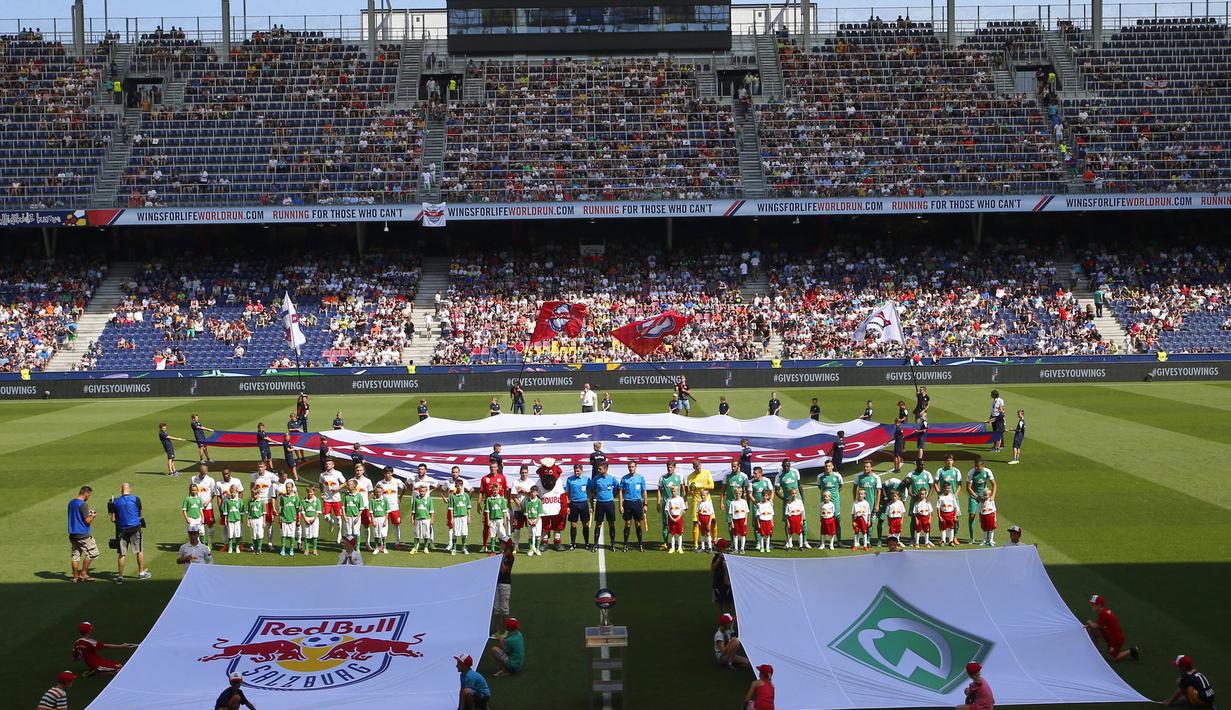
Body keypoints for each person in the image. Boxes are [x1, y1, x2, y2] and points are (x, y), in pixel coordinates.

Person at [109, 483, 149, 582]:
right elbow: (140, 514)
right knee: (139, 551)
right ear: (130, 489)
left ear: (121, 490)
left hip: (122, 530)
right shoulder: (136, 499)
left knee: (122, 554)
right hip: (135, 528)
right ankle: (141, 573)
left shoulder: (116, 502)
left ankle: (120, 577)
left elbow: (113, 519)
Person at [1086, 595, 1140, 662]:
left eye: (1093, 605)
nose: (1091, 606)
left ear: (1099, 605)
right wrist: (1091, 626)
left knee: (1111, 658)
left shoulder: (1103, 614)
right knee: (1091, 630)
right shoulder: (1103, 612)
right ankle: (1095, 649)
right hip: (1109, 635)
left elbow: (1095, 626)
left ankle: (1132, 651)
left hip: (1115, 640)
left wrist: (1089, 622)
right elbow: (1098, 626)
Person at [68, 486, 99, 583]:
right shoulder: (83, 504)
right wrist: (93, 516)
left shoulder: (71, 502)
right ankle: (83, 573)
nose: (89, 496)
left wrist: (88, 513)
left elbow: (77, 515)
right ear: (86, 493)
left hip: (73, 534)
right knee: (93, 553)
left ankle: (75, 577)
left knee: (75, 556)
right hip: (83, 534)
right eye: (89, 495)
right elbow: (87, 521)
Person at [776, 459, 809, 548]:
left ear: (790, 465)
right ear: (782, 466)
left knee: (803, 521)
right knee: (787, 522)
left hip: (798, 501)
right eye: (785, 466)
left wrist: (803, 498)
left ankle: (804, 541)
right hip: (788, 502)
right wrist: (784, 499)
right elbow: (777, 491)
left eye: (788, 465)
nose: (786, 467)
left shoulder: (795, 472)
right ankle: (787, 541)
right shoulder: (779, 476)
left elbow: (800, 485)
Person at [966, 457, 996, 545]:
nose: (976, 468)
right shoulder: (971, 473)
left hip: (984, 496)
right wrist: (977, 497)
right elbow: (968, 488)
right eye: (975, 466)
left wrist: (993, 495)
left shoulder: (987, 472)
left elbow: (994, 484)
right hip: (974, 496)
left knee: (987, 515)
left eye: (978, 466)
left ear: (982, 466)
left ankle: (988, 538)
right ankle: (972, 538)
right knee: (972, 515)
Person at [686, 461, 715, 551]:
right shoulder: (690, 476)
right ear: (693, 467)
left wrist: (701, 486)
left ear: (701, 465)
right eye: (696, 467)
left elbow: (712, 485)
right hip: (697, 501)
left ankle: (713, 542)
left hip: (708, 501)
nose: (698, 468)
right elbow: (689, 490)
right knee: (696, 522)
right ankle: (696, 544)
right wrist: (692, 488)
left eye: (699, 466)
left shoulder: (707, 472)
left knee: (712, 521)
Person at [618, 461, 647, 551]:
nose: (631, 468)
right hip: (627, 503)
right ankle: (625, 545)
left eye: (632, 467)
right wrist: (621, 505)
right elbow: (620, 491)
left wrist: (645, 504)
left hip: (637, 503)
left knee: (638, 524)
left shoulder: (640, 478)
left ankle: (640, 545)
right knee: (627, 524)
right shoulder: (624, 478)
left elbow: (644, 491)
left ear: (636, 467)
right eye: (629, 467)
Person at [479, 461, 507, 550]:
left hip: (499, 505)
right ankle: (485, 545)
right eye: (491, 467)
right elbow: (481, 492)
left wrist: (508, 502)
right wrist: (478, 503)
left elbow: (506, 490)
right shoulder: (485, 478)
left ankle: (501, 546)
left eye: (494, 467)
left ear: (497, 467)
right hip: (489, 505)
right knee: (487, 525)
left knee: (500, 527)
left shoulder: (502, 477)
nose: (492, 469)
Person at [589, 462, 618, 551]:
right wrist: (595, 497)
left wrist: (612, 496)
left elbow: (617, 488)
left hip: (609, 503)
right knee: (598, 524)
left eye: (600, 469)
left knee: (611, 523)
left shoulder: (612, 479)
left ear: (605, 469)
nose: (598, 470)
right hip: (600, 504)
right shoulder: (596, 479)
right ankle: (595, 544)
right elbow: (592, 489)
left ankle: (612, 544)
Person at [657, 460, 684, 549]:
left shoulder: (680, 477)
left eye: (671, 467)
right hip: (667, 505)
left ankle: (678, 543)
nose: (669, 469)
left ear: (674, 468)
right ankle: (665, 543)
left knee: (678, 523)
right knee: (666, 524)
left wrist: (685, 502)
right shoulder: (663, 478)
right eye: (668, 467)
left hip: (678, 506)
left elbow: (683, 490)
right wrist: (658, 502)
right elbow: (659, 491)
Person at [375, 467, 406, 548]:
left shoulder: (397, 481)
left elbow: (404, 488)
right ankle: (382, 543)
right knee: (384, 525)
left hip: (394, 507)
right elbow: (375, 492)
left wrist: (400, 497)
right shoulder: (380, 483)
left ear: (392, 473)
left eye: (388, 473)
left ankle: (397, 542)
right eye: (385, 473)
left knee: (396, 525)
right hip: (384, 509)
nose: (387, 475)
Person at [564, 464, 592, 550]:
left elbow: (590, 492)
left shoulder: (587, 480)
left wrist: (591, 505)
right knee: (573, 524)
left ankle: (587, 543)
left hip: (584, 504)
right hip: (573, 504)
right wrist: (567, 506)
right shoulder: (569, 480)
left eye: (578, 471)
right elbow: (567, 494)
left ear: (581, 470)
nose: (576, 473)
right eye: (575, 471)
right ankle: (573, 543)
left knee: (585, 524)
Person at [319, 459, 346, 542]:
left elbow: (345, 483)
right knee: (326, 517)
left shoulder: (338, 473)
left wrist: (337, 488)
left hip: (336, 499)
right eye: (326, 464)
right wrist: (322, 493)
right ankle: (331, 521)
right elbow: (320, 483)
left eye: (329, 464)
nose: (328, 465)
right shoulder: (323, 475)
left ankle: (339, 535)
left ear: (333, 465)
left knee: (339, 518)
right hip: (327, 499)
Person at [817, 460, 843, 544]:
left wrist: (834, 495)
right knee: (823, 520)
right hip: (824, 503)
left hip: (835, 502)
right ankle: (822, 541)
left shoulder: (837, 476)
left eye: (829, 466)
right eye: (826, 466)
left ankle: (839, 541)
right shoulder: (820, 477)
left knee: (837, 521)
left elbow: (841, 485)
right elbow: (820, 486)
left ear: (832, 467)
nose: (827, 468)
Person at [493, 540, 514, 632]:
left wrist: (499, 558)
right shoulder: (501, 554)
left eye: (502, 543)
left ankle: (505, 630)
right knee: (496, 608)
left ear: (507, 545)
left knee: (504, 608)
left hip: (505, 584)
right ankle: (497, 630)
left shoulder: (510, 557)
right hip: (497, 583)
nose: (500, 544)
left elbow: (503, 570)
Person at [410, 482, 436, 554]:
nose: (422, 492)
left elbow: (431, 511)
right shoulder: (416, 499)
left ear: (426, 491)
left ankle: (425, 547)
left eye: (423, 491)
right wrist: (412, 519)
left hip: (426, 519)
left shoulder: (429, 499)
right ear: (418, 491)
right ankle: (415, 547)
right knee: (416, 534)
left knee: (426, 534)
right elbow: (413, 511)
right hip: (417, 519)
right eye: (421, 491)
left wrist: (432, 519)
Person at [448, 480, 472, 555]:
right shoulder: (452, 496)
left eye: (460, 485)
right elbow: (451, 508)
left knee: (464, 532)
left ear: (462, 486)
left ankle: (463, 547)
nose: (459, 487)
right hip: (456, 517)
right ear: (455, 486)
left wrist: (469, 517)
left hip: (464, 517)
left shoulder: (466, 495)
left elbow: (468, 507)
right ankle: (454, 548)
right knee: (455, 532)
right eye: (457, 485)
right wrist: (451, 518)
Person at [221, 484, 246, 554]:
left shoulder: (240, 501)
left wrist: (241, 519)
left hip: (237, 519)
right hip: (230, 519)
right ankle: (230, 547)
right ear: (229, 492)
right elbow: (225, 511)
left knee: (238, 534)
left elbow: (241, 512)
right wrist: (226, 519)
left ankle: (237, 547)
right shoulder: (227, 501)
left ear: (237, 492)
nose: (233, 494)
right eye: (231, 492)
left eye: (234, 492)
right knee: (230, 534)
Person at [711, 539, 734, 613]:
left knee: (728, 605)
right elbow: (712, 568)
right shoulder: (716, 557)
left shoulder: (729, 557)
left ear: (721, 547)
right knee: (719, 605)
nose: (715, 547)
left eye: (717, 546)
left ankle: (730, 622)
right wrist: (719, 559)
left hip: (727, 584)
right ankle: (721, 624)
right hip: (718, 584)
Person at [727, 485, 749, 553]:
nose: (738, 495)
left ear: (741, 493)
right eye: (736, 493)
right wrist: (732, 522)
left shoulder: (744, 502)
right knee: (735, 534)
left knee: (743, 534)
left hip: (742, 519)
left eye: (739, 493)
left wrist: (745, 521)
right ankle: (736, 548)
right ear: (734, 493)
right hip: (735, 520)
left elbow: (746, 512)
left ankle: (742, 548)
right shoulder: (732, 503)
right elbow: (731, 513)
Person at [522, 486, 544, 556]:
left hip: (537, 520)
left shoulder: (539, 501)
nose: (533, 494)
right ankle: (531, 549)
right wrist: (528, 520)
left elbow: (540, 512)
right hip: (530, 520)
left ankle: (537, 549)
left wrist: (536, 521)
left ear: (537, 493)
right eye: (532, 492)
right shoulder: (527, 501)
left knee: (537, 535)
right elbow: (526, 513)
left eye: (534, 492)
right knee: (530, 535)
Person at [937, 482, 960, 547]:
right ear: (944, 489)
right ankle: (943, 541)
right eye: (947, 488)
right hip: (943, 515)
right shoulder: (941, 497)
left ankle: (951, 541)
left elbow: (955, 507)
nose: (948, 489)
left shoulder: (952, 497)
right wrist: (939, 516)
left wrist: (955, 515)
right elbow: (938, 507)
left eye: (949, 488)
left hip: (951, 515)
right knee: (943, 528)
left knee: (951, 528)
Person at [666, 485, 686, 554]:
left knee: (680, 533)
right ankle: (672, 547)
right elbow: (668, 510)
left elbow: (682, 510)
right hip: (671, 518)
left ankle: (679, 547)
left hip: (679, 518)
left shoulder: (680, 499)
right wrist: (671, 517)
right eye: (672, 491)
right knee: (672, 533)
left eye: (674, 491)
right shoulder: (669, 499)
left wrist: (678, 517)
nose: (673, 492)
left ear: (677, 491)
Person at [245, 487, 266, 554]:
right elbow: (248, 513)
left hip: (259, 519)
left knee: (259, 534)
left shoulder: (262, 502)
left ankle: (259, 549)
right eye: (253, 495)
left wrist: (264, 521)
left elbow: (264, 513)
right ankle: (255, 548)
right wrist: (248, 521)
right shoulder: (250, 502)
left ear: (259, 494)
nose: (254, 496)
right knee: (253, 535)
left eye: (256, 494)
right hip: (252, 520)